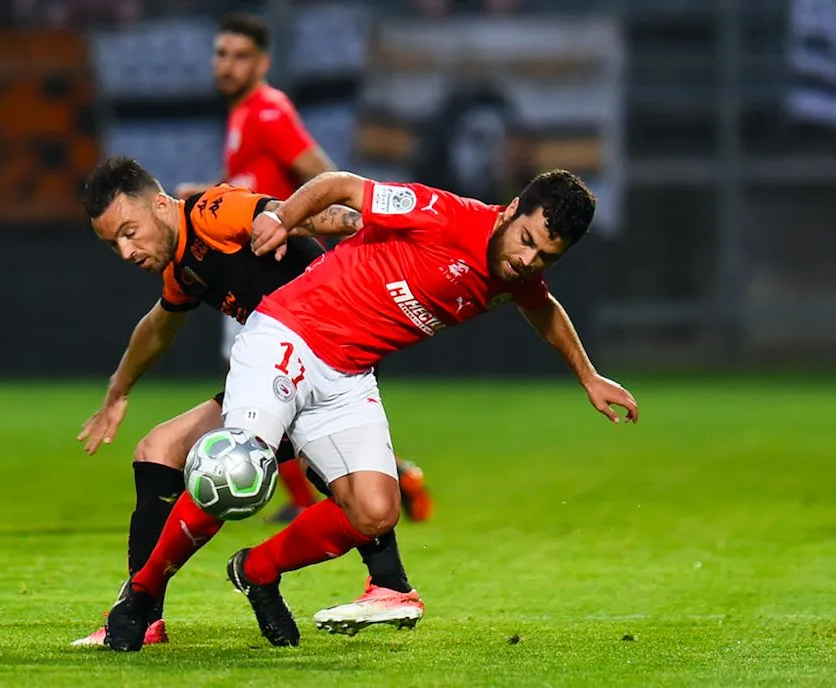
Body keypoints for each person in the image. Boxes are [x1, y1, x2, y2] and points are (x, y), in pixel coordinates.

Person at [105, 168, 640, 649]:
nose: (528, 259)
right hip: (288, 334)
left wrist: (587, 375)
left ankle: (258, 570)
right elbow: (340, 185)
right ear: (509, 212)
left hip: (346, 374)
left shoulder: (518, 275)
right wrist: (286, 218)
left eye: (546, 256)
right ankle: (141, 596)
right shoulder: (445, 215)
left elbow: (543, 308)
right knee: (237, 467)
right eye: (526, 240)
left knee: (375, 512)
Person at [72, 157, 425, 650]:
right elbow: (160, 325)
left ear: (159, 204)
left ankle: (385, 582)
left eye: (129, 232)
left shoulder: (212, 212)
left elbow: (285, 212)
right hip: (277, 367)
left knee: (245, 470)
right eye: (114, 244)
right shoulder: (182, 265)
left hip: (324, 358)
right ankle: (151, 613)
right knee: (159, 450)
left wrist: (362, 221)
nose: (127, 251)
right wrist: (119, 388)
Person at [174, 13, 433, 523]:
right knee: (273, 391)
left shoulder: (268, 110)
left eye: (240, 56)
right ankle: (390, 478)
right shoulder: (243, 115)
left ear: (263, 63)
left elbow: (324, 174)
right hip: (251, 268)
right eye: (221, 54)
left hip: (276, 275)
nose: (227, 65)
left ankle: (336, 491)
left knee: (264, 386)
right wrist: (207, 191)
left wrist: (313, 220)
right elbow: (252, 183)